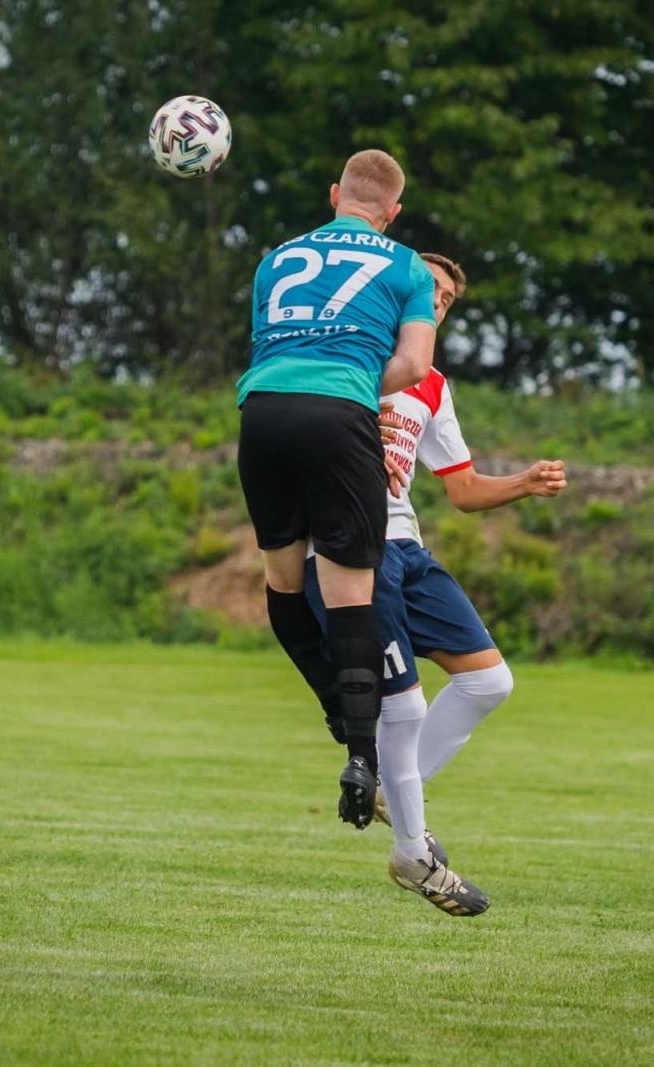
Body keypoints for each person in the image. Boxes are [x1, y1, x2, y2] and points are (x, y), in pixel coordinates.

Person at [304, 253, 567, 916]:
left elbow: (464, 489)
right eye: (429, 288)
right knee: (407, 708)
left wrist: (524, 484)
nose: (436, 301)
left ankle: (401, 786)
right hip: (350, 548)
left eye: (446, 297)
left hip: (408, 550)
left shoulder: (431, 386)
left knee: (489, 681)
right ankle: (413, 853)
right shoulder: (347, 353)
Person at [236, 149, 438, 830]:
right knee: (350, 594)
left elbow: (275, 345)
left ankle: (334, 705)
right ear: (394, 212)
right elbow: (412, 363)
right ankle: (361, 753)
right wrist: (353, 387)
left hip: (261, 412)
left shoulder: (276, 258)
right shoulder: (407, 265)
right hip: (338, 417)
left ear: (334, 195)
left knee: (285, 583)